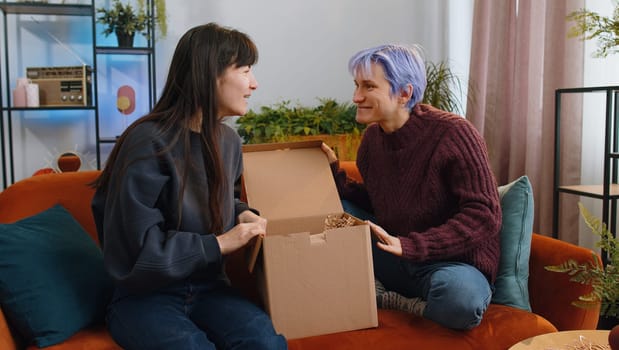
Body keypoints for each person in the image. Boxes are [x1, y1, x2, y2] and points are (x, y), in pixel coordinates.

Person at [91, 23, 287, 350]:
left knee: (266, 343)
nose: (254, 84)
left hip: (211, 289)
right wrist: (220, 244)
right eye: (245, 70)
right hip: (146, 296)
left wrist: (242, 215)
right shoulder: (146, 141)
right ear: (210, 74)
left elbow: (223, 201)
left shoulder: (228, 141)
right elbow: (136, 247)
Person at [322, 44, 501, 330]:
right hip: (395, 253)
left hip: (450, 263)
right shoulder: (371, 140)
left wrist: (411, 246)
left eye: (369, 86)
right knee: (334, 212)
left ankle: (386, 298)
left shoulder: (454, 133)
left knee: (461, 301)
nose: (356, 97)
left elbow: (484, 215)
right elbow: (379, 201)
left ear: (404, 93)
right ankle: (391, 293)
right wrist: (332, 173)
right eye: (356, 85)